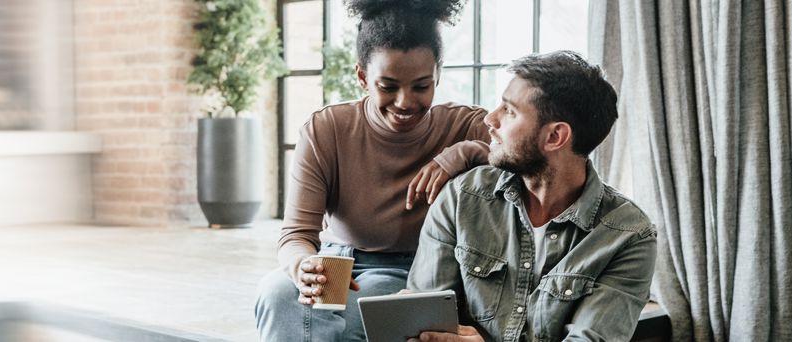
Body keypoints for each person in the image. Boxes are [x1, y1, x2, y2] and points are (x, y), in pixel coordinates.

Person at [254, 0, 494, 340]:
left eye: (422, 86)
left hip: (412, 268)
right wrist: (302, 266)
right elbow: (296, 236)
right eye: (389, 86)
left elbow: (524, 162)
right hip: (335, 263)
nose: (405, 102)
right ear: (363, 76)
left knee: (364, 309)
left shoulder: (466, 125)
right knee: (277, 294)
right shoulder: (327, 129)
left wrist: (465, 153)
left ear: (438, 74)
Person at [405, 51, 657, 342]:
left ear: (555, 137)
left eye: (509, 111)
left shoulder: (628, 236)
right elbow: (424, 327)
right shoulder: (462, 197)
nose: (490, 118)